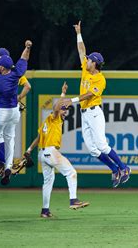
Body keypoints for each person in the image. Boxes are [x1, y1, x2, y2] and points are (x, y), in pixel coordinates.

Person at [61, 21, 130, 188]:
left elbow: (90, 94)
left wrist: (72, 100)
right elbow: (81, 50)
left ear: (95, 63)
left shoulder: (100, 78)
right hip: (85, 114)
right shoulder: (86, 68)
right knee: (92, 149)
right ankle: (114, 169)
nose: (87, 60)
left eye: (90, 60)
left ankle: (124, 167)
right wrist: (78, 33)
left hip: (94, 112)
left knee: (101, 145)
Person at [26, 82, 89, 217]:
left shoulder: (46, 123)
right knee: (71, 172)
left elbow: (38, 138)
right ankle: (73, 200)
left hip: (42, 154)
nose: (65, 110)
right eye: (63, 109)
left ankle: (45, 210)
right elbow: (56, 108)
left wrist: (29, 150)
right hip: (50, 152)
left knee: (48, 182)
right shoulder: (53, 118)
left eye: (65, 109)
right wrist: (63, 94)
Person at [0, 40, 32, 186]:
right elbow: (24, 58)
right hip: (14, 111)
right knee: (10, 139)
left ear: (2, 66)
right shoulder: (17, 72)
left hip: (2, 111)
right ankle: (8, 167)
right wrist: (27, 47)